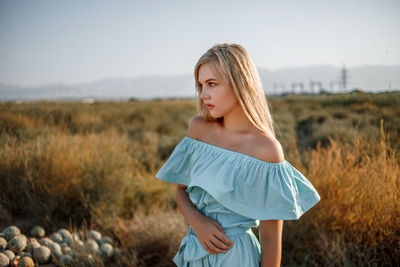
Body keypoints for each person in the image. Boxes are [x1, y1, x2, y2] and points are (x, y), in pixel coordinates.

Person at [155, 43, 321, 267]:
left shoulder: (267, 150)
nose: (203, 95)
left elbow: (271, 239)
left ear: (239, 83)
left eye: (212, 84)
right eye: (201, 85)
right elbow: (181, 192)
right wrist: (198, 223)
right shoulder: (198, 128)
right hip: (195, 253)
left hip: (237, 258)